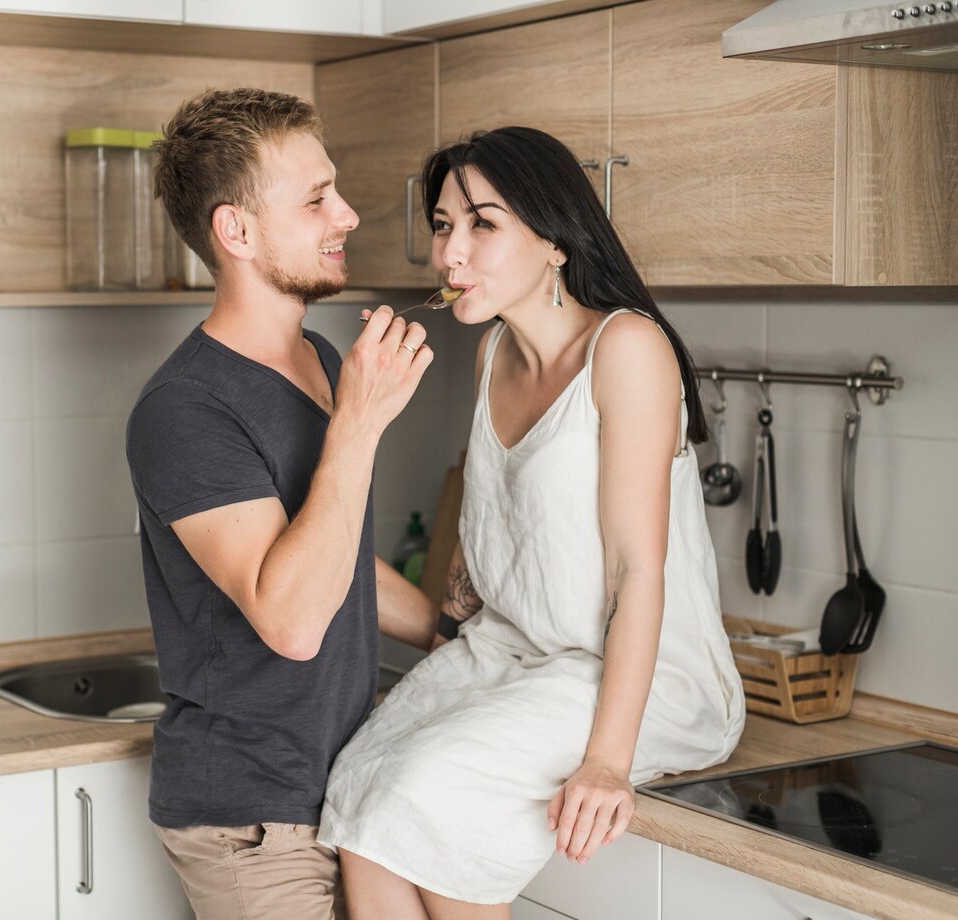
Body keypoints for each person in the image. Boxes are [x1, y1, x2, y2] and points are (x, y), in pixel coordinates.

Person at [318, 126, 745, 920]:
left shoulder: (626, 348)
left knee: (427, 798)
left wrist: (608, 764)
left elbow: (636, 574)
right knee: (357, 782)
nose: (451, 254)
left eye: (484, 224)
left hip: (636, 678)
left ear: (553, 240)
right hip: (511, 657)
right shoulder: (491, 356)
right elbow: (497, 534)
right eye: (444, 225)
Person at [126, 87, 439, 920]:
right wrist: (361, 425)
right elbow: (292, 620)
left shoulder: (323, 359)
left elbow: (333, 561)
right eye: (315, 200)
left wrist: (452, 627)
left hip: (347, 787)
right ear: (236, 231)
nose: (348, 214)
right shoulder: (184, 410)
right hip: (252, 822)